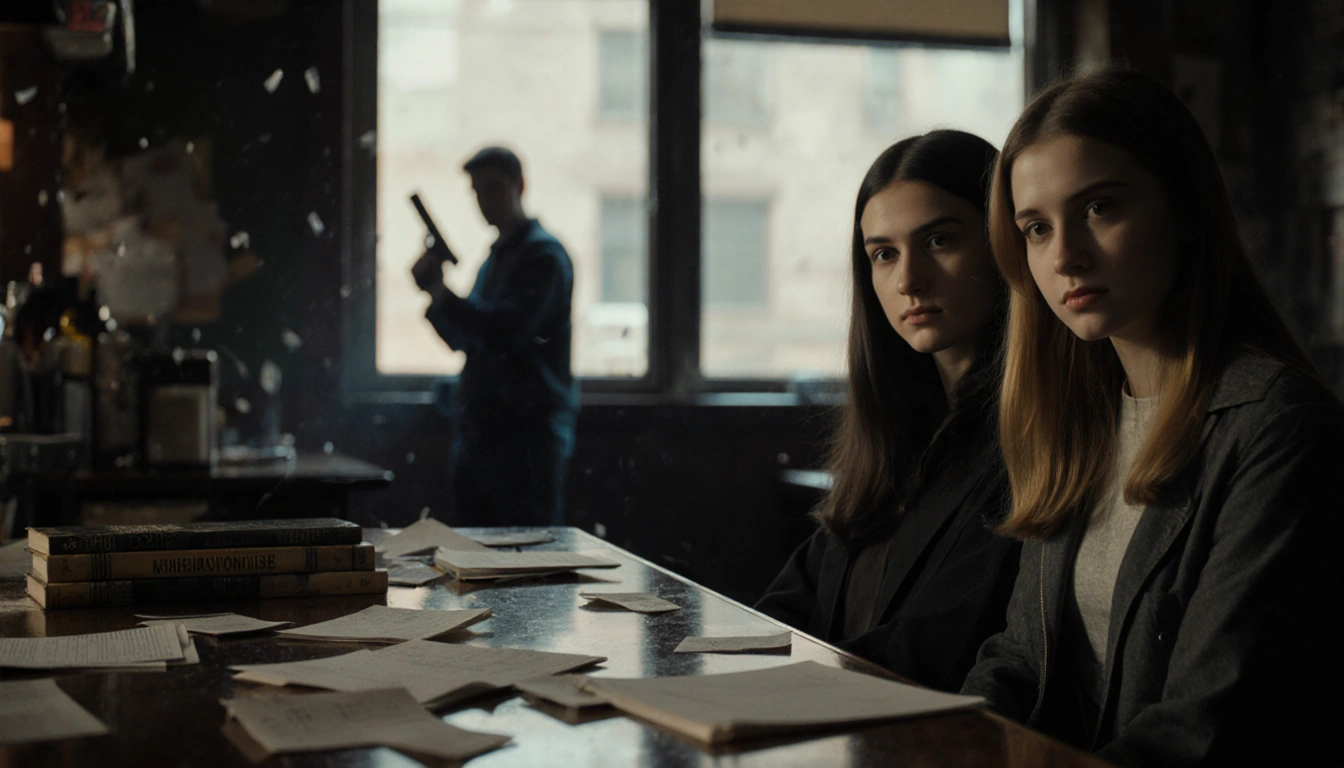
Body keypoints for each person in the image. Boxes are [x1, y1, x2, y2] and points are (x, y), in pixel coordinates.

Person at [960, 67, 1344, 768]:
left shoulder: (1276, 426)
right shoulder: (1081, 418)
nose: (1065, 257)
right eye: (1036, 229)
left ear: (1185, 209)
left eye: (1101, 208)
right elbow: (1018, 659)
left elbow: (1204, 729)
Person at [755, 130, 1022, 692]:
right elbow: (786, 607)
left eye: (940, 241)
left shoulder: (1028, 436)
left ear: (1004, 241)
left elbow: (935, 650)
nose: (908, 280)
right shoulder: (897, 434)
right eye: (884, 254)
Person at [411, 146, 579, 527]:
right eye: (477, 191)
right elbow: (467, 340)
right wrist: (436, 294)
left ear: (520, 185)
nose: (484, 200)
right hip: (482, 437)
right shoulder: (497, 259)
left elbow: (506, 331)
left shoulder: (544, 258)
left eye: (494, 188)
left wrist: (441, 294)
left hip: (525, 443)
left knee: (529, 563)